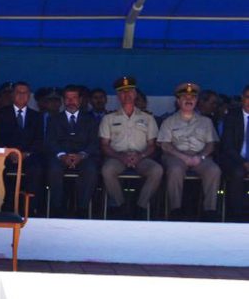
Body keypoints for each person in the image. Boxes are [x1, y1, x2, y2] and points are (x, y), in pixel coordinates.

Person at [99, 76, 161, 219]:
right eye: (122, 92)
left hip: (141, 156)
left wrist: (141, 156)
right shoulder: (108, 118)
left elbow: (152, 145)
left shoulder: (148, 118)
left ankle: (140, 207)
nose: (126, 95)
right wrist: (120, 156)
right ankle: (121, 207)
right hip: (117, 156)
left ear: (135, 94)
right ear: (117, 96)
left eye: (129, 92)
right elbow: (104, 145)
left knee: (156, 170)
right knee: (107, 170)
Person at [157, 82, 221, 221]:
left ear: (196, 101)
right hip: (176, 156)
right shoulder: (169, 121)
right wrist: (183, 157)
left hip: (200, 156)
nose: (189, 100)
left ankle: (209, 211)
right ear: (178, 101)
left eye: (192, 97)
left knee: (214, 170)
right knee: (175, 170)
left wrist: (201, 157)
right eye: (185, 97)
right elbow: (165, 145)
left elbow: (211, 144)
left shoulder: (206, 121)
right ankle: (175, 210)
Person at [0, 81, 45, 215]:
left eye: (25, 93)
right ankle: (4, 209)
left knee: (37, 169)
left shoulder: (37, 116)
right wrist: (9, 153)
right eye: (18, 92)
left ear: (29, 95)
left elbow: (39, 140)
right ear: (12, 95)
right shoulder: (0, 114)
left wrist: (25, 154)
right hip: (7, 156)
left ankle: (30, 210)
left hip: (28, 157)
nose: (21, 95)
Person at [46, 84, 100, 218]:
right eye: (68, 98)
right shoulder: (54, 119)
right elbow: (50, 141)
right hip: (61, 157)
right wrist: (62, 155)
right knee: (53, 169)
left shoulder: (90, 119)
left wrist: (81, 155)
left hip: (83, 157)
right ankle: (57, 209)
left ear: (80, 100)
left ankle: (82, 208)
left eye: (74, 98)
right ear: (63, 100)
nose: (71, 102)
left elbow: (94, 143)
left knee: (91, 170)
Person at [217, 84, 249, 222]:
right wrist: (244, 163)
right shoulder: (231, 116)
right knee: (237, 172)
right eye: (248, 97)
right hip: (234, 159)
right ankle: (237, 216)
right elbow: (227, 146)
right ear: (242, 98)